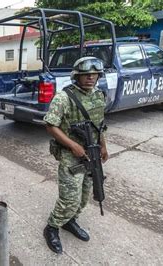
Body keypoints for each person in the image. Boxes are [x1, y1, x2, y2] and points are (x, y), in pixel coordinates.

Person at [42, 56, 109, 254]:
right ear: (77, 76)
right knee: (70, 198)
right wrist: (72, 145)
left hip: (92, 152)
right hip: (71, 155)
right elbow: (50, 125)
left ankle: (69, 221)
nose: (90, 78)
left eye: (94, 74)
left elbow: (100, 125)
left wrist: (103, 146)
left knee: (85, 195)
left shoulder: (98, 95)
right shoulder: (63, 98)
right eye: (85, 75)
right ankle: (52, 227)